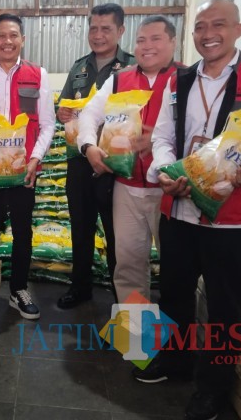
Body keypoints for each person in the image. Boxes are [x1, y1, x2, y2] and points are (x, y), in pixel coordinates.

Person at [140, 0, 241, 420]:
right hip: (180, 207)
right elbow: (162, 137)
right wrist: (162, 172)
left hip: (231, 216)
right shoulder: (181, 80)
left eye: (219, 25)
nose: (209, 33)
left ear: (238, 29)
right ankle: (175, 361)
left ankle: (215, 386)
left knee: (225, 306)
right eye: (201, 26)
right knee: (173, 292)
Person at [78, 15, 182, 303]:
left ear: (173, 42)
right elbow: (89, 113)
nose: (146, 46)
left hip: (172, 191)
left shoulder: (186, 79)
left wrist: (162, 140)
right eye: (141, 40)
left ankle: (178, 338)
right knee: (128, 266)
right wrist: (88, 146)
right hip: (127, 188)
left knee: (177, 267)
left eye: (156, 39)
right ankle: (136, 338)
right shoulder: (120, 79)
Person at [0, 13, 56, 319]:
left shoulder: (38, 75)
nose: (7, 41)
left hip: (22, 172)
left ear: (22, 40)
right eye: (1, 36)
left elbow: (47, 125)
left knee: (22, 232)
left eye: (13, 35)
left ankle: (18, 289)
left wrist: (35, 159)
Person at [56, 3, 135, 308]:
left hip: (116, 164)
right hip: (79, 162)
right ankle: (81, 288)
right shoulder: (79, 67)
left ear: (121, 31)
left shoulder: (131, 68)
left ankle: (122, 299)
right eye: (93, 28)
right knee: (81, 227)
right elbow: (64, 108)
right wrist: (61, 111)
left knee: (119, 235)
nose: (98, 35)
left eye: (106, 29)